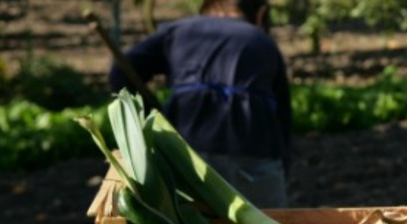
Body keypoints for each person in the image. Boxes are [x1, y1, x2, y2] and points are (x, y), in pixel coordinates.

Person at [109, 0, 292, 208]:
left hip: (188, 146)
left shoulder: (179, 30)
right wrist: (283, 167)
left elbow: (122, 71)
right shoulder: (262, 41)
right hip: (252, 149)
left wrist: (151, 116)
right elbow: (283, 116)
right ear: (261, 14)